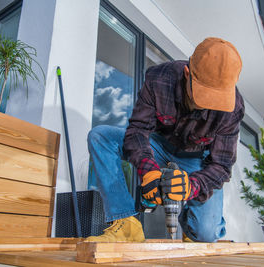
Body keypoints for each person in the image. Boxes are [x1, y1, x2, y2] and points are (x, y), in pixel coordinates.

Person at [86, 37, 244, 242]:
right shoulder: (160, 79)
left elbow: (221, 166)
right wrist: (149, 171)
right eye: (205, 97)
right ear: (188, 74)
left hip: (197, 159)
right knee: (100, 137)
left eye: (217, 100)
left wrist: (191, 187)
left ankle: (192, 226)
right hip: (158, 146)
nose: (210, 106)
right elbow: (138, 131)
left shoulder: (233, 108)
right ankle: (126, 223)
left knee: (206, 234)